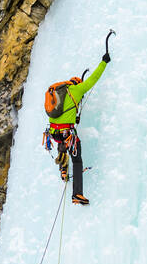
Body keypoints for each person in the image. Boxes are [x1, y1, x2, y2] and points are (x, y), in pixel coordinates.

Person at [43, 31, 113, 205]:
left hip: (54, 132)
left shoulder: (59, 93)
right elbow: (93, 79)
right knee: (77, 158)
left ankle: (63, 172)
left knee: (62, 145)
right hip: (68, 133)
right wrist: (104, 62)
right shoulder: (77, 90)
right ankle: (77, 194)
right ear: (76, 84)